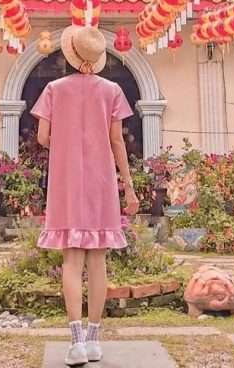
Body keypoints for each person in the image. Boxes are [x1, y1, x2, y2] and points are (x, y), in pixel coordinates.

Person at [32, 26, 139, 366]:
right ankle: (94, 339)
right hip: (101, 181)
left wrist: (66, 141)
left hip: (66, 181)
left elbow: (42, 137)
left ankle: (76, 341)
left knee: (71, 260)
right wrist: (129, 187)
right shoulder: (112, 90)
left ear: (69, 54)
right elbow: (117, 141)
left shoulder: (53, 89)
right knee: (98, 260)